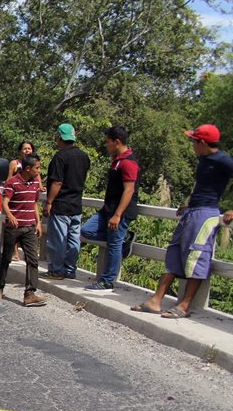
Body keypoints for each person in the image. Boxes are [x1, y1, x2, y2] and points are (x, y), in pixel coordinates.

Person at [132, 124, 233, 318]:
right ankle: (155, 301)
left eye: (193, 141)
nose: (192, 145)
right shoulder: (204, 160)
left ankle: (184, 306)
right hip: (192, 212)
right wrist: (189, 204)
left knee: (196, 257)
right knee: (175, 253)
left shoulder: (223, 160)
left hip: (206, 214)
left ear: (202, 142)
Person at [81, 126, 139, 293]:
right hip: (108, 209)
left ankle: (107, 281)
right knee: (87, 230)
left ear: (117, 142)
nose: (106, 146)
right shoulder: (117, 159)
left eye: (107, 143)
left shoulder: (128, 162)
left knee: (114, 245)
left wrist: (118, 214)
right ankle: (125, 237)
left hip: (119, 212)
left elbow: (129, 190)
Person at [0, 153, 47, 307]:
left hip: (29, 227)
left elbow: (34, 204)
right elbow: (5, 202)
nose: (39, 171)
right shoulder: (13, 183)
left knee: (32, 260)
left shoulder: (35, 183)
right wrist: (10, 215)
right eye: (37, 168)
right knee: (6, 258)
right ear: (28, 168)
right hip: (14, 228)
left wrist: (38, 223)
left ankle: (30, 294)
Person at [44, 125, 90, 279]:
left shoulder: (60, 157)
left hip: (61, 204)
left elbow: (57, 182)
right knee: (73, 240)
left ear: (59, 137)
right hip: (76, 205)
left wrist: (49, 202)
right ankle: (70, 270)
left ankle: (56, 270)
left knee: (58, 240)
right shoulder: (84, 157)